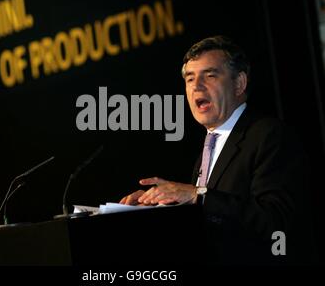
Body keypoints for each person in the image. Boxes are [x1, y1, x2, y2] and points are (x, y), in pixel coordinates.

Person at [120, 35, 315, 264]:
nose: (196, 86)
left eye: (210, 75)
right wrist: (158, 205)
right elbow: (214, 218)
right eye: (190, 79)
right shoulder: (210, 145)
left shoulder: (268, 135)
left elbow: (275, 222)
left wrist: (196, 195)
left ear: (239, 83)